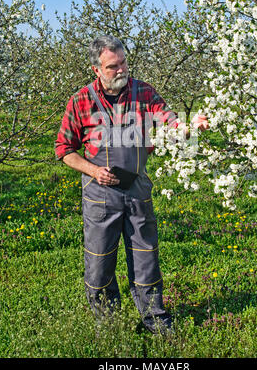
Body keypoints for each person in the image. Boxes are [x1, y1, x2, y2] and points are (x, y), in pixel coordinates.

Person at [55, 35, 209, 334]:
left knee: (145, 257)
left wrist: (191, 127)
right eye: (113, 66)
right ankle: (109, 325)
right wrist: (93, 171)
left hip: (137, 189)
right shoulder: (80, 101)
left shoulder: (143, 93)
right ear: (96, 69)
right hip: (100, 194)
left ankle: (156, 321)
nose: (121, 70)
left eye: (123, 62)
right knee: (99, 263)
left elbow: (170, 122)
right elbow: (64, 150)